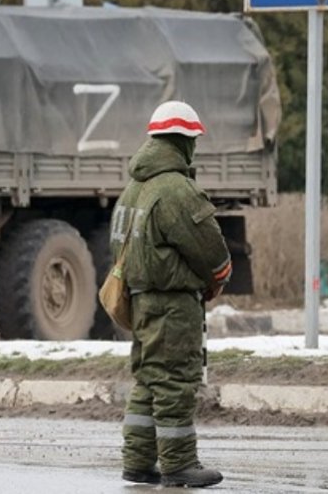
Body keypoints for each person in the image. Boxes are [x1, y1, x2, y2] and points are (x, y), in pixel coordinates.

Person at [110, 100, 232, 488]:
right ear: (183, 142)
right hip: (173, 304)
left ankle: (138, 463)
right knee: (175, 380)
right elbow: (211, 250)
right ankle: (179, 464)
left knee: (148, 380)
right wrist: (217, 278)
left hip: (141, 300)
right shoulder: (177, 189)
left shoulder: (133, 189)